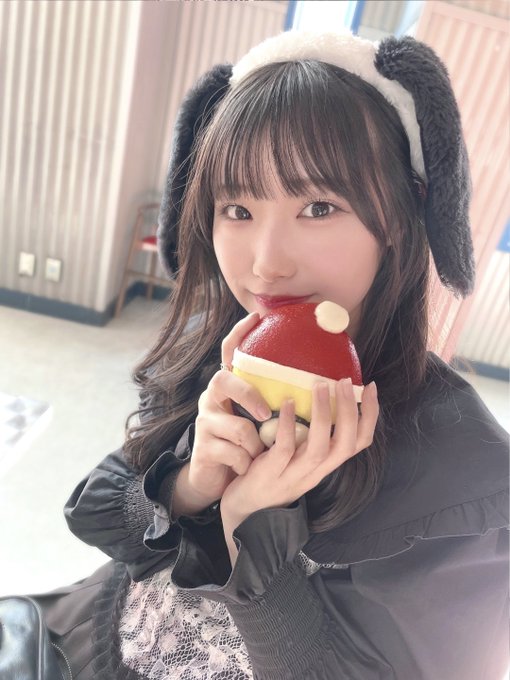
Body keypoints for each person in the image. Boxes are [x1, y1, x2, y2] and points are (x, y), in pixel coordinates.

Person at [38, 30, 509, 680]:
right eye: (237, 208)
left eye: (318, 206)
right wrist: (191, 485)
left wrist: (249, 525)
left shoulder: (467, 481)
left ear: (401, 219)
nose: (265, 264)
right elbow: (98, 515)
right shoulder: (230, 345)